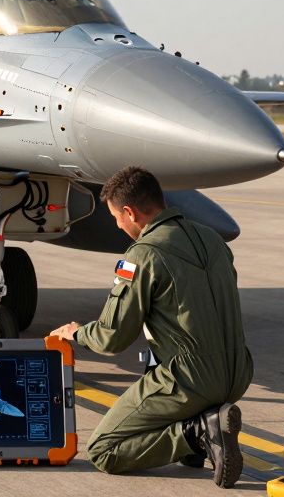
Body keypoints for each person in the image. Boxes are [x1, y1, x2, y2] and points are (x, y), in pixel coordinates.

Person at [50, 166, 253, 487]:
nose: (117, 224)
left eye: (116, 216)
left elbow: (113, 338)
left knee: (104, 450)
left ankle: (197, 434)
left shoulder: (143, 255)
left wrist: (77, 332)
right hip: (239, 374)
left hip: (191, 381)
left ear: (129, 212)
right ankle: (198, 427)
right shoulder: (213, 239)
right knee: (157, 371)